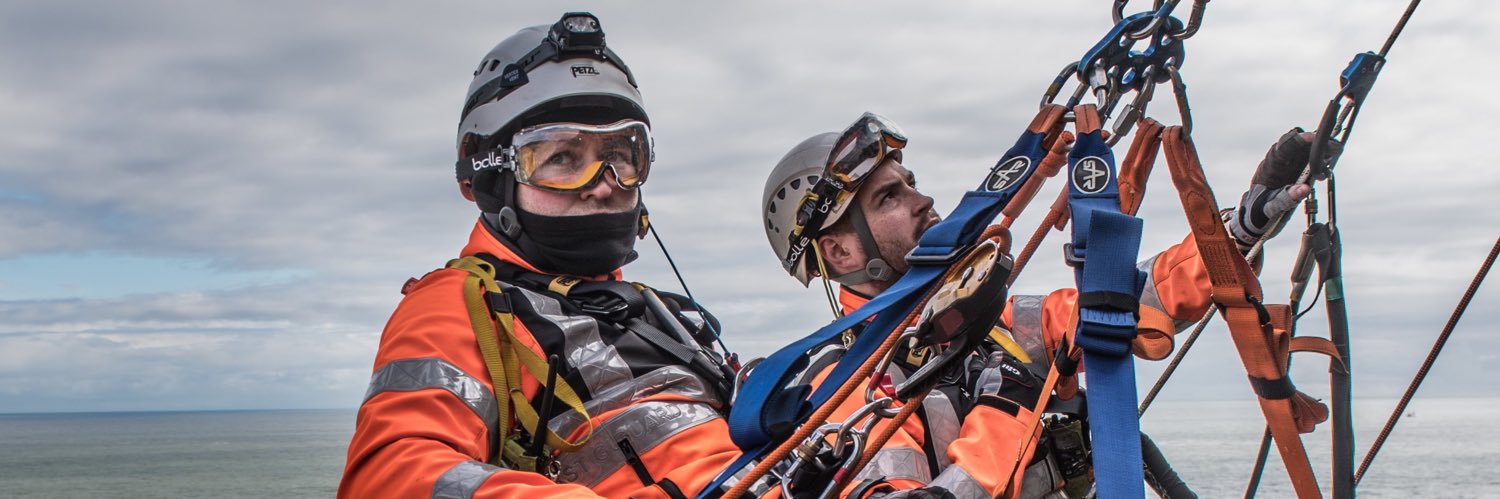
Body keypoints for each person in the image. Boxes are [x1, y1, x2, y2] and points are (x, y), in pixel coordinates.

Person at [340, 13, 1052, 499]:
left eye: (623, 157)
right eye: (563, 160)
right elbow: (394, 475)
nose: (604, 185)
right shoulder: (459, 306)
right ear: (494, 176)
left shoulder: (664, 315)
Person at [760, 112, 1319, 498]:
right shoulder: (846, 389)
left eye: (910, 182)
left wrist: (1239, 229)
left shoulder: (1002, 324)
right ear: (838, 249)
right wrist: (1007, 409)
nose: (923, 200)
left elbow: (1124, 300)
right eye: (890, 196)